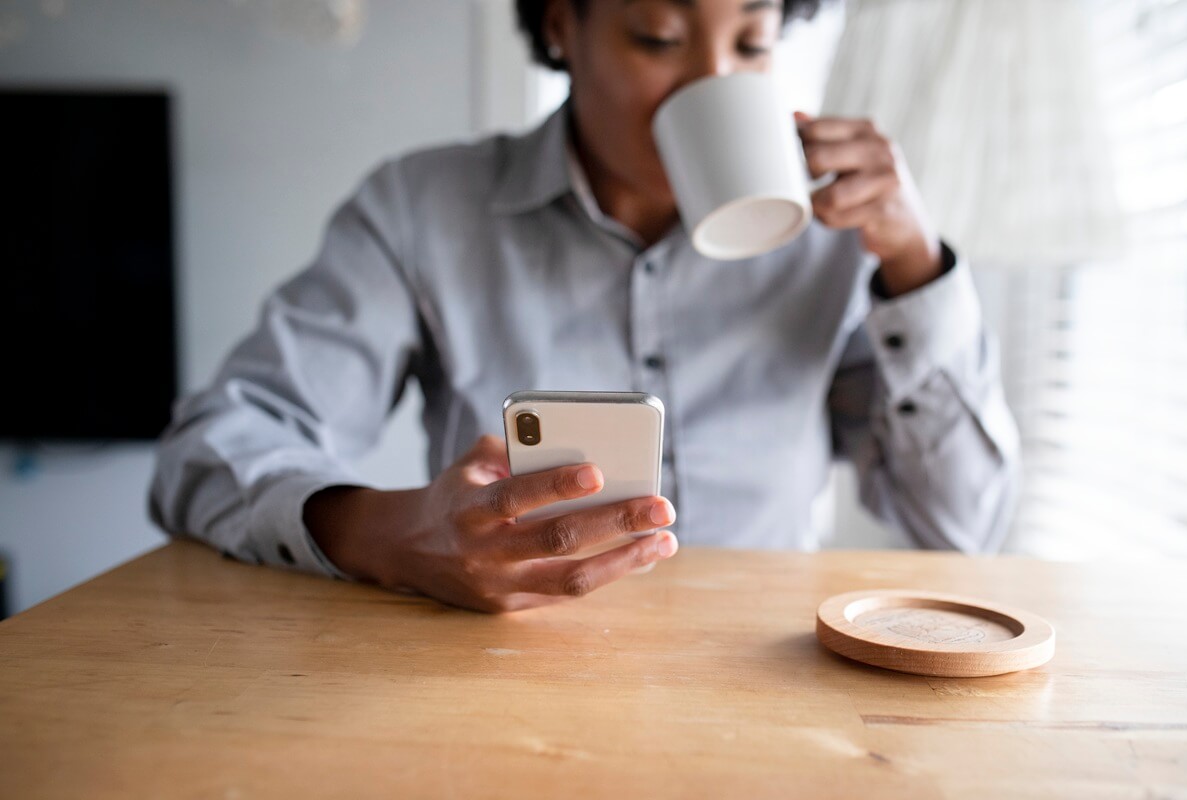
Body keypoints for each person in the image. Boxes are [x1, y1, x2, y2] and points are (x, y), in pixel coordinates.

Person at [150, 0, 1020, 612]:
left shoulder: (840, 235)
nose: (708, 82)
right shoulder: (422, 210)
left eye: (752, 42)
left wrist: (917, 269)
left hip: (763, 687)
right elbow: (206, 454)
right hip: (500, 678)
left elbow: (965, 527)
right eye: (659, 36)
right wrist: (393, 534)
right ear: (565, 24)